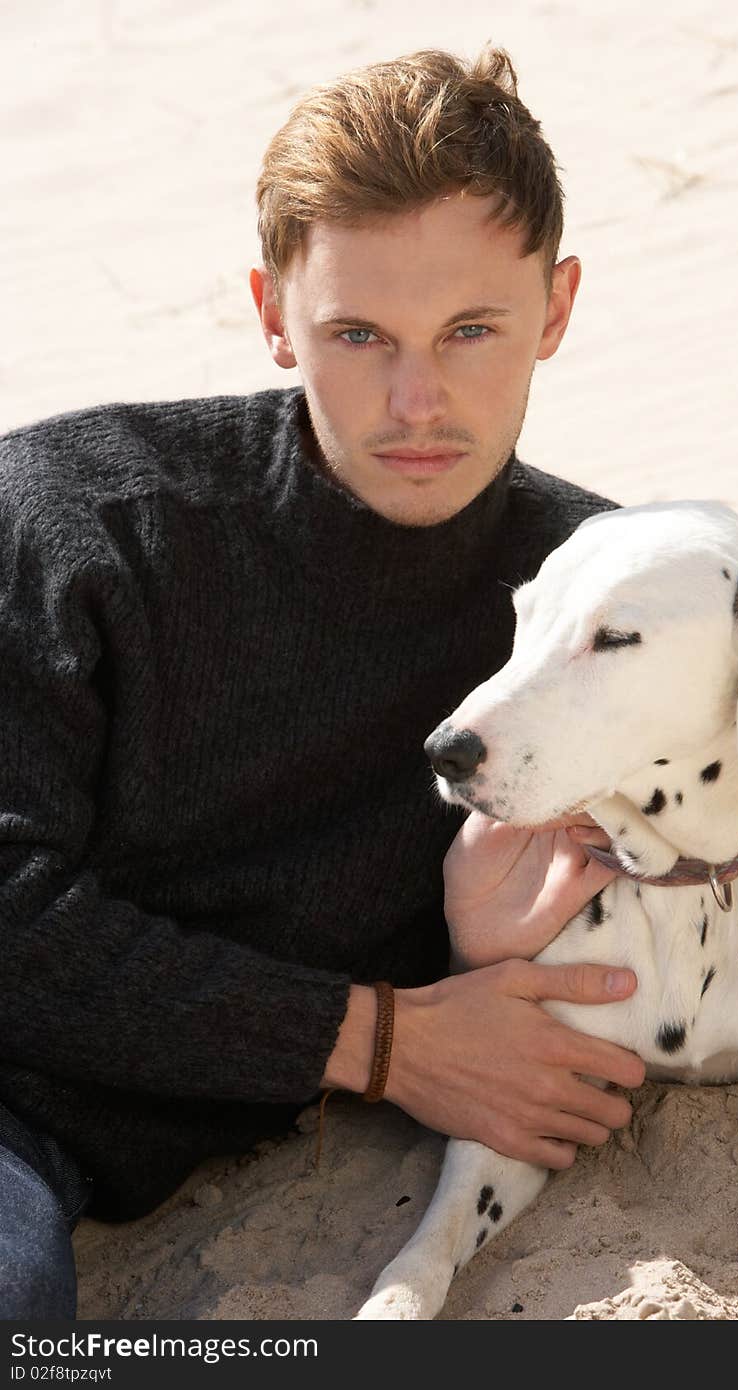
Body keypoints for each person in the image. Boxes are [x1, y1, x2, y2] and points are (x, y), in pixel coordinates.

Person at [0, 44, 645, 1319]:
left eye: (471, 330)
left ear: (557, 310)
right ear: (270, 314)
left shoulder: (598, 604)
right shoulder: (81, 524)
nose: (418, 400)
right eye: (358, 333)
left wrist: (473, 944)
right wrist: (380, 1041)